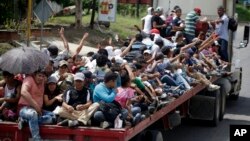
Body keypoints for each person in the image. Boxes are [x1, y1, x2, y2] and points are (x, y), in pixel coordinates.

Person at [18, 69, 56, 141]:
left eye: (43, 76)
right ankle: (36, 139)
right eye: (39, 75)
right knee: (33, 114)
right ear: (34, 75)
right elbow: (23, 92)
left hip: (37, 110)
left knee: (53, 117)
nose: (41, 78)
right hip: (24, 109)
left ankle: (25, 121)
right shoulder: (29, 79)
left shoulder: (42, 82)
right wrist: (36, 106)